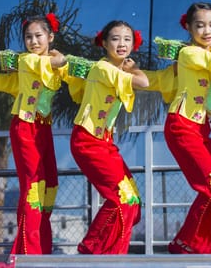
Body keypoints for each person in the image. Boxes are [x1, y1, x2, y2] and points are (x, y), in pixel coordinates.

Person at [163, 3, 211, 254]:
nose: (207, 31)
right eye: (200, 25)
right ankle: (191, 246)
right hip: (182, 124)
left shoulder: (207, 51)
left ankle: (200, 246)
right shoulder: (189, 53)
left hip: (200, 128)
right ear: (188, 27)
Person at [70, 20, 149, 254]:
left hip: (104, 142)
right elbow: (143, 81)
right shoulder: (103, 69)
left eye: (127, 39)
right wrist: (132, 69)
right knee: (121, 198)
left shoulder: (116, 70)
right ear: (104, 43)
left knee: (132, 201)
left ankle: (109, 252)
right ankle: (94, 248)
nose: (122, 44)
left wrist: (129, 69)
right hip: (88, 141)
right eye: (115, 39)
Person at [8, 13, 68, 255]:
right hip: (25, 124)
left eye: (38, 36)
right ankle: (27, 252)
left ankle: (41, 247)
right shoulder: (26, 60)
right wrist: (60, 58)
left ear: (50, 37)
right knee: (32, 185)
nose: (33, 42)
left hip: (43, 127)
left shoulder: (55, 62)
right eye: (28, 37)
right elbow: (58, 63)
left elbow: (72, 76)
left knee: (48, 185)